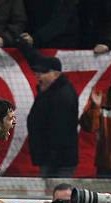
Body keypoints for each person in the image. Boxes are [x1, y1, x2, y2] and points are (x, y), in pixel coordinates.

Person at [19, 44, 78, 178]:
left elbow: (60, 130)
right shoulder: (48, 89)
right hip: (49, 158)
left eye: (44, 73)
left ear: (56, 74)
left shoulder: (63, 96)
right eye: (38, 72)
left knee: (60, 195)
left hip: (58, 161)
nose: (39, 75)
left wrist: (51, 158)